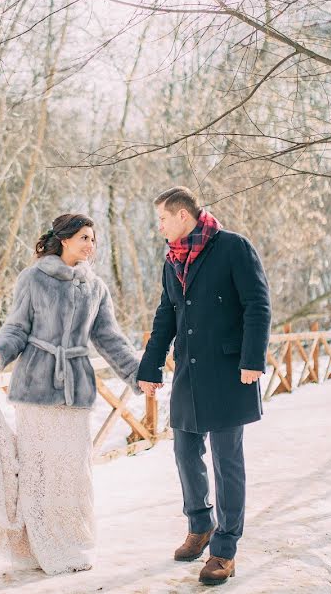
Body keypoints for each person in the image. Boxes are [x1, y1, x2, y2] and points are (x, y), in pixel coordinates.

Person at [0, 213, 142, 575]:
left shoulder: (95, 287)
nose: (90, 245)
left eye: (93, 239)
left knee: (73, 471)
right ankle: (39, 545)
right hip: (36, 386)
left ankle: (71, 541)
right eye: (84, 237)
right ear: (64, 239)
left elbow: (109, 338)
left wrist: (136, 372)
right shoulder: (33, 278)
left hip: (76, 389)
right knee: (39, 470)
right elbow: (16, 327)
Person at [137, 186, 271, 586]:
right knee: (184, 451)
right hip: (188, 375)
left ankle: (225, 549)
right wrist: (150, 366)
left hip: (230, 372)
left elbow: (257, 304)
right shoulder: (171, 260)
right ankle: (200, 525)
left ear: (182, 216)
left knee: (227, 461)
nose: (158, 225)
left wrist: (252, 360)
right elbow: (167, 315)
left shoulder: (233, 247)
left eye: (162, 217)